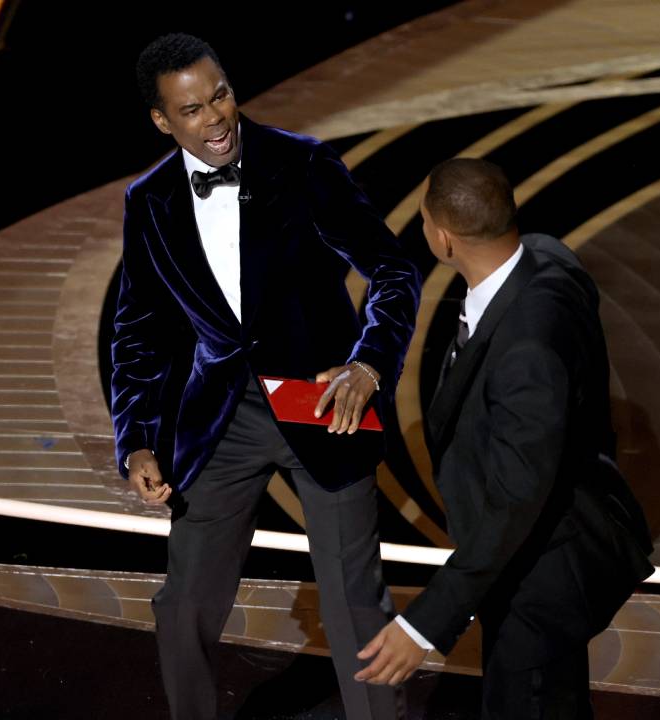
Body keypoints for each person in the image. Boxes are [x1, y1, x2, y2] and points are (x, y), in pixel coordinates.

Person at [110, 33, 421, 720]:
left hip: (322, 400)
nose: (215, 118)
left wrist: (371, 362)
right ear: (163, 121)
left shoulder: (304, 164)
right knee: (183, 601)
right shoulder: (150, 200)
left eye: (219, 95)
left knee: (353, 603)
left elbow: (394, 270)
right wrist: (135, 440)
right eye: (191, 110)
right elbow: (137, 331)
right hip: (221, 417)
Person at [354, 158, 654, 719]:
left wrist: (424, 624)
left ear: (442, 239)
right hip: (536, 557)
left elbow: (518, 500)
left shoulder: (527, 351)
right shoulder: (548, 257)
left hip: (538, 581)